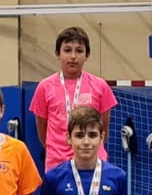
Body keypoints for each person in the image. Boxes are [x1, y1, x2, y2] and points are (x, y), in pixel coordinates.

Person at [29, 27, 117, 170]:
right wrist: (56, 148)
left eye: (79, 51)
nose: (73, 56)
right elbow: (41, 128)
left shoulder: (100, 86)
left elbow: (104, 128)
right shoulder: (44, 87)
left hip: (93, 162)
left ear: (87, 55)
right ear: (58, 53)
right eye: (67, 50)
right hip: (57, 163)